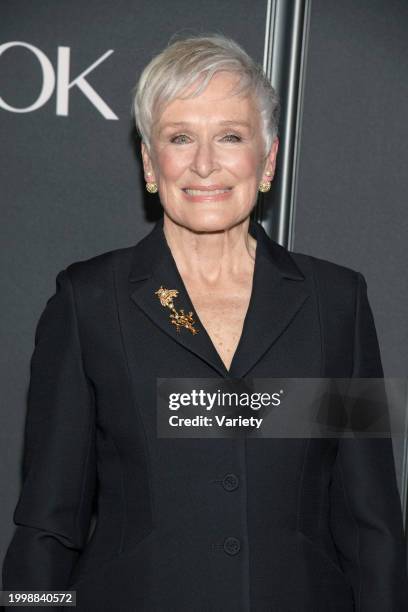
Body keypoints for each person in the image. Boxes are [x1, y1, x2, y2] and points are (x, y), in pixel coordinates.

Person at [2, 33, 407, 612]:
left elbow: (374, 526)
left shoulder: (337, 300)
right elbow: (47, 525)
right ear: (149, 160)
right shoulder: (88, 299)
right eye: (180, 137)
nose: (204, 164)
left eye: (231, 137)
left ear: (266, 160)